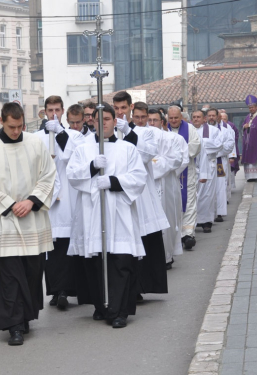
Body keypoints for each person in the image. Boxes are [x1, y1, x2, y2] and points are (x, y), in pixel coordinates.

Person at [0, 103, 56, 346]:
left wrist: (31, 201)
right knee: (8, 276)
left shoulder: (34, 143)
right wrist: (11, 205)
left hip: (31, 217)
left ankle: (25, 316)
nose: (16, 131)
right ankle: (14, 325)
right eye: (11, 127)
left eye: (20, 126)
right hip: (2, 221)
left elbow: (48, 175)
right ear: (1, 121)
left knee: (31, 271)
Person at [66, 103, 147, 328]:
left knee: (120, 262)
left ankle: (120, 311)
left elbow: (139, 177)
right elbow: (72, 175)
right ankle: (102, 306)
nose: (103, 124)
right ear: (92, 121)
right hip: (93, 213)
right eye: (98, 120)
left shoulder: (127, 148)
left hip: (119, 211)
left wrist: (114, 181)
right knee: (96, 264)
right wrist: (91, 167)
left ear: (115, 121)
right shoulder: (82, 148)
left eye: (108, 119)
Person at [113, 94, 169, 294]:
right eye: (117, 108)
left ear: (130, 107)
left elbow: (148, 154)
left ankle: (142, 286)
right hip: (118, 192)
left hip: (142, 194)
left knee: (144, 239)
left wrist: (128, 131)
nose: (120, 112)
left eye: (123, 108)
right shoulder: (108, 132)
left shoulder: (145, 132)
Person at [35, 96, 85, 310]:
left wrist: (61, 133)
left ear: (63, 111)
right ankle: (55, 291)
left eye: (57, 110)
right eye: (50, 110)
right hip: (45, 196)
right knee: (50, 249)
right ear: (44, 112)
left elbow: (76, 156)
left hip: (67, 196)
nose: (53, 114)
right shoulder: (36, 138)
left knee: (65, 245)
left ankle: (66, 290)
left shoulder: (74, 135)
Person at [146, 108, 188, 269]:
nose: (151, 124)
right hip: (147, 186)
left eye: (154, 120)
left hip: (168, 185)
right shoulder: (139, 138)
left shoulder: (173, 138)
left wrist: (165, 172)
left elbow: (180, 160)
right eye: (148, 120)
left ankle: (167, 255)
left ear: (162, 122)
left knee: (169, 219)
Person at [167, 105, 201, 250]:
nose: (174, 120)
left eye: (176, 117)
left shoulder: (190, 129)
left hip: (188, 171)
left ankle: (187, 234)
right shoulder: (163, 130)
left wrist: (179, 152)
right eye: (171, 118)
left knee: (189, 202)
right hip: (170, 173)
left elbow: (196, 145)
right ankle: (174, 233)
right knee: (172, 203)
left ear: (181, 117)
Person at [192, 110, 223, 233]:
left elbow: (219, 145)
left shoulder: (213, 130)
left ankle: (206, 222)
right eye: (194, 117)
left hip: (208, 166)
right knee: (193, 195)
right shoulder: (189, 130)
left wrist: (200, 144)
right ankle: (193, 220)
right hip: (193, 166)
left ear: (204, 119)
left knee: (207, 195)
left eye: (198, 117)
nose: (196, 119)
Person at [206, 108, 235, 223]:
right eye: (209, 115)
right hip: (206, 162)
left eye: (214, 115)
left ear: (218, 117)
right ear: (206, 117)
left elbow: (229, 146)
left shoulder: (225, 130)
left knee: (220, 186)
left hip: (219, 162)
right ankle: (208, 212)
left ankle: (219, 212)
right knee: (207, 187)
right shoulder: (203, 130)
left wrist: (215, 152)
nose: (211, 117)